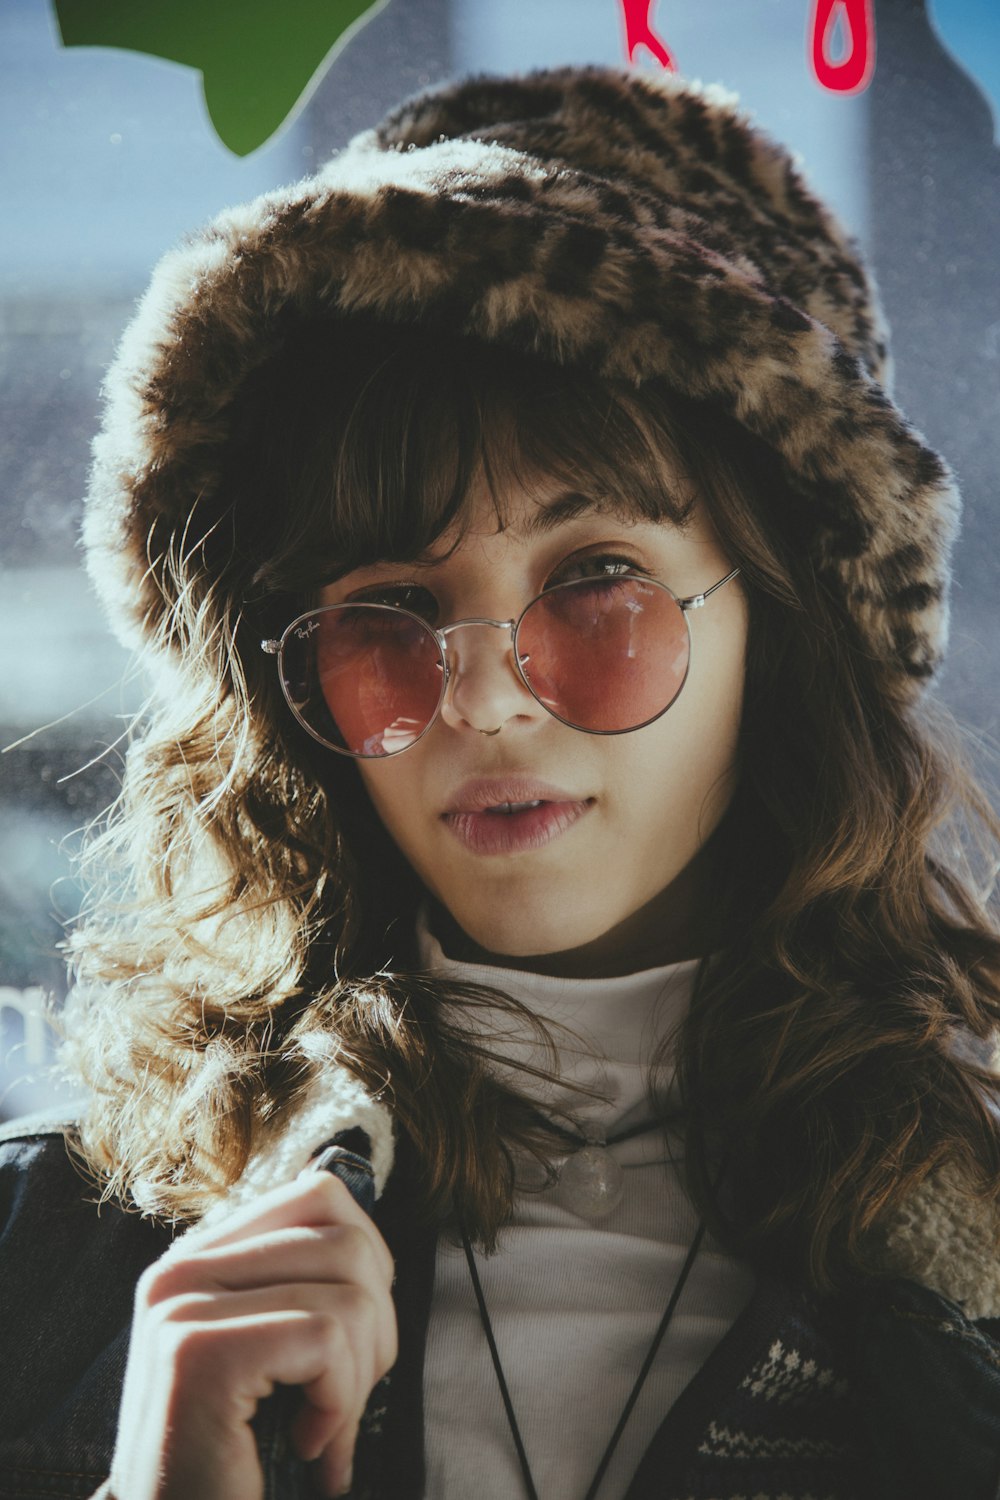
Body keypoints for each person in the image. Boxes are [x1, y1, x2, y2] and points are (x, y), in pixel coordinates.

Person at [2, 62, 1000, 1500]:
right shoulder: (53, 1260)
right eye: (387, 614)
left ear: (776, 635)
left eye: (596, 583)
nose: (476, 696)